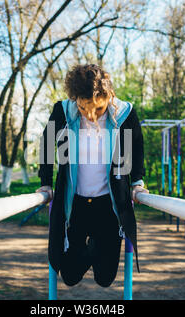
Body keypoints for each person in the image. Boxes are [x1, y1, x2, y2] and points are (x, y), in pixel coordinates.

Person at [36, 64, 149, 288]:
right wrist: (46, 183)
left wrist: (137, 182)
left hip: (108, 204)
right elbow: (47, 146)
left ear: (109, 97)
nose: (90, 115)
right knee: (68, 275)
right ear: (75, 98)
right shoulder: (63, 112)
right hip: (75, 203)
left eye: (98, 109)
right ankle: (92, 247)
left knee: (105, 278)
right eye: (84, 107)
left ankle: (100, 244)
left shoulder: (125, 114)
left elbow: (137, 150)